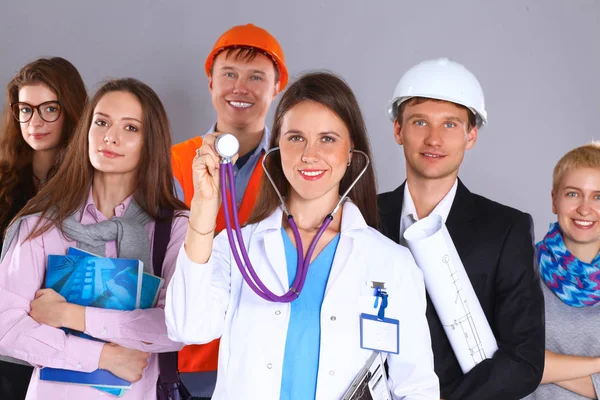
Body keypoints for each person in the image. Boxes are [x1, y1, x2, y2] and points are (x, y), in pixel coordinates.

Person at [165, 71, 439, 399]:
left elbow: (416, 386)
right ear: (277, 149)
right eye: (296, 137)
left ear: (351, 152)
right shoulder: (240, 248)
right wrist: (204, 208)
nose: (310, 154)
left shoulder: (391, 263)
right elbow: (186, 327)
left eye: (327, 139)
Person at [0, 78, 188, 399]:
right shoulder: (40, 225)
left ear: (150, 142)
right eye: (101, 122)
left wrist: (70, 316)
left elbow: (178, 326)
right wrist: (102, 356)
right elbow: (6, 327)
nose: (110, 137)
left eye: (130, 128)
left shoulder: (176, 228)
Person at [377, 58, 545, 399]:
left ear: (471, 136)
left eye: (450, 125)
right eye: (420, 121)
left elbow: (524, 358)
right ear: (398, 130)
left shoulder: (505, 229)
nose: (434, 139)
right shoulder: (362, 217)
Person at [170, 23, 287, 394]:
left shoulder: (294, 167)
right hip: (183, 358)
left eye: (256, 77)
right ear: (210, 83)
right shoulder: (171, 162)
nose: (240, 87)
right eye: (229, 74)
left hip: (263, 354)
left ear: (276, 87)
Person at [0, 56, 87, 400]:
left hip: (69, 349)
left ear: (72, 110)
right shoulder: (5, 182)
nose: (34, 121)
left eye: (49, 108)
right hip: (7, 353)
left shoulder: (92, 186)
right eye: (25, 109)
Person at [525, 143, 600, 399]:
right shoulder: (519, 265)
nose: (585, 208)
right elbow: (504, 358)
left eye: (598, 196)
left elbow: (524, 362)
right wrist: (597, 365)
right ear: (554, 200)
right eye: (572, 194)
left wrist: (538, 365)